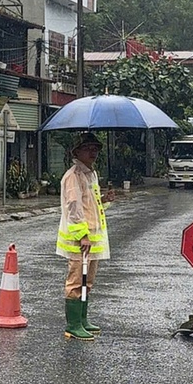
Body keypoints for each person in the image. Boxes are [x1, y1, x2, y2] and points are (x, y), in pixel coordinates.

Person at [56, 132, 115, 340]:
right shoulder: (73, 176)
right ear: (77, 152)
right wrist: (82, 235)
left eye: (96, 148)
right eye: (88, 148)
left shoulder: (91, 174)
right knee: (76, 281)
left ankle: (82, 319)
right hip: (79, 241)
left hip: (92, 241)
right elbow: (73, 208)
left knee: (87, 282)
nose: (93, 152)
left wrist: (105, 200)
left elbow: (90, 206)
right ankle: (73, 324)